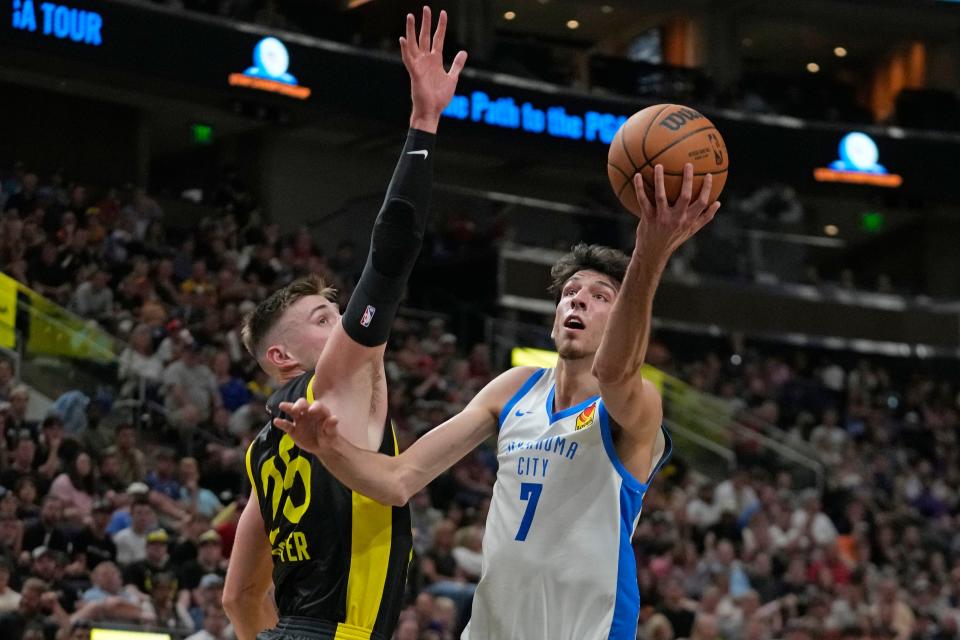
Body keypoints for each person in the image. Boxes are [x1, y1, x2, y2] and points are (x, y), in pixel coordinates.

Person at [277, 164, 720, 639]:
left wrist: (648, 253)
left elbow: (614, 371)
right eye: (570, 294)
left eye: (600, 296)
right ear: (553, 321)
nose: (577, 301)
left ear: (622, 322)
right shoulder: (514, 389)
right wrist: (328, 448)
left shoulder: (639, 404)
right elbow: (397, 480)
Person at [221, 8, 466, 640]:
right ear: (282, 356)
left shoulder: (260, 452)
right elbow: (390, 258)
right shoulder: (331, 385)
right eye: (322, 317)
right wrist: (424, 124)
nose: (344, 325)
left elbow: (240, 597)